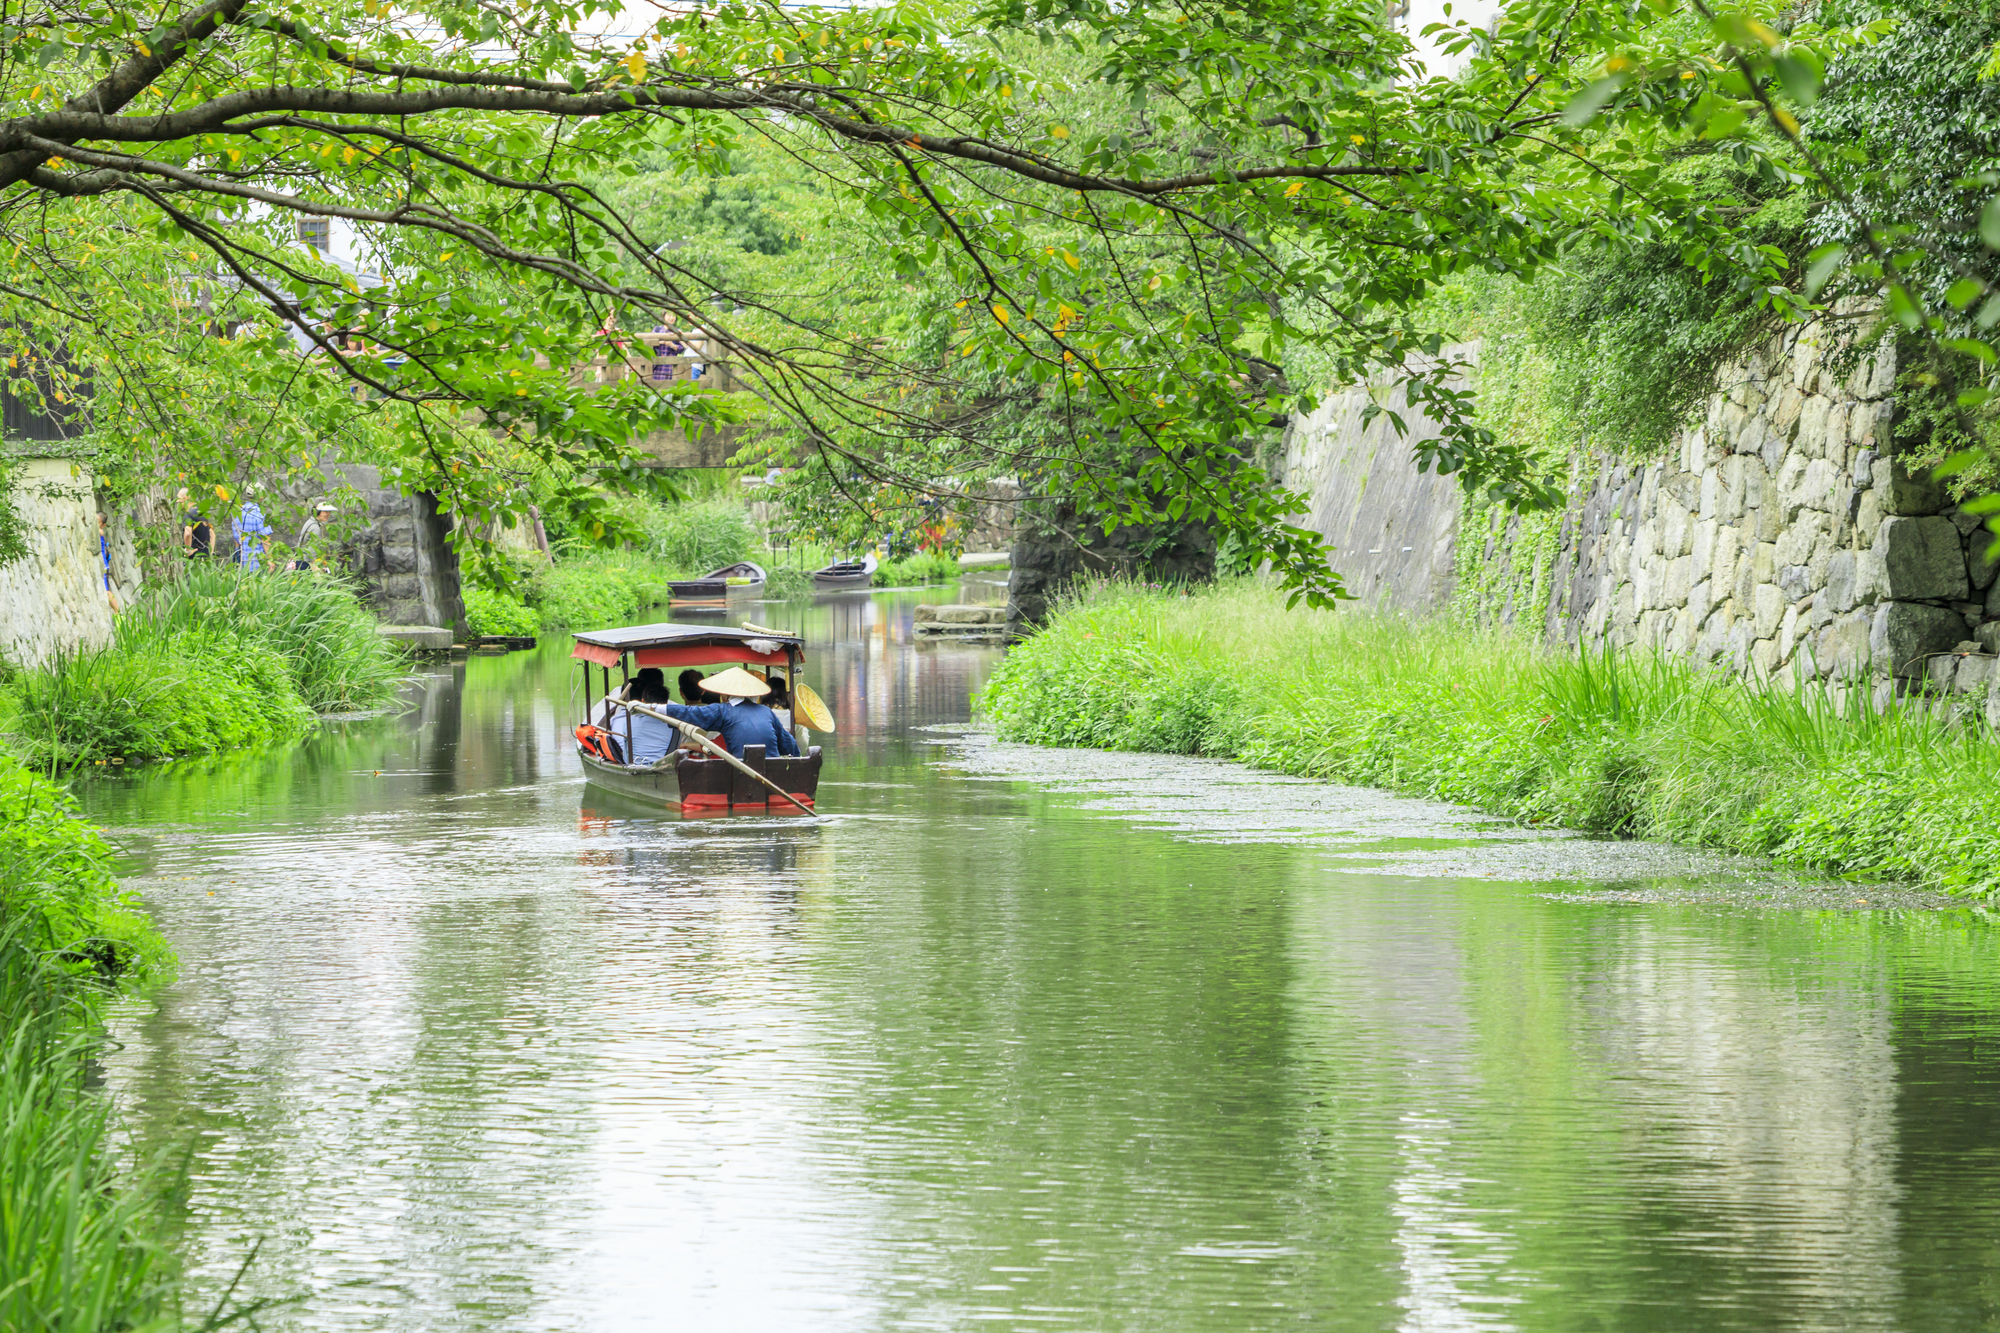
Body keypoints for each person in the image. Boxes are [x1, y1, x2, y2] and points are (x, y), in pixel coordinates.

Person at [648, 666, 800, 760]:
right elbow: (790, 746)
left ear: (726, 695)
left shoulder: (723, 711)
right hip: (771, 773)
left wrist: (654, 708)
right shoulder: (767, 712)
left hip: (742, 771)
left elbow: (689, 713)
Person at [293, 499, 336, 570]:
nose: (328, 514)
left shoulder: (310, 521)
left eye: (329, 512)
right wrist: (314, 564)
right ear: (317, 512)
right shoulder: (315, 527)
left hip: (300, 557)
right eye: (325, 511)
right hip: (305, 561)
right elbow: (312, 547)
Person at [231, 496, 271, 572]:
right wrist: (270, 560)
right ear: (261, 496)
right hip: (258, 563)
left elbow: (237, 540)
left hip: (241, 563)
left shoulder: (237, 514)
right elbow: (265, 539)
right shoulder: (260, 514)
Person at [96, 511, 121, 612]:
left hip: (104, 566)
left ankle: (117, 613)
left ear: (103, 525)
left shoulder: (100, 531)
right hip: (102, 565)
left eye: (97, 522)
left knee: (106, 591)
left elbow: (97, 531)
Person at [178, 488, 212, 558]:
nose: (177, 501)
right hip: (205, 558)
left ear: (185, 498)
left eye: (179, 499)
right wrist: (210, 553)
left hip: (193, 559)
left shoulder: (188, 514)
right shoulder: (202, 514)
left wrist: (188, 551)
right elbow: (212, 534)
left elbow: (187, 533)